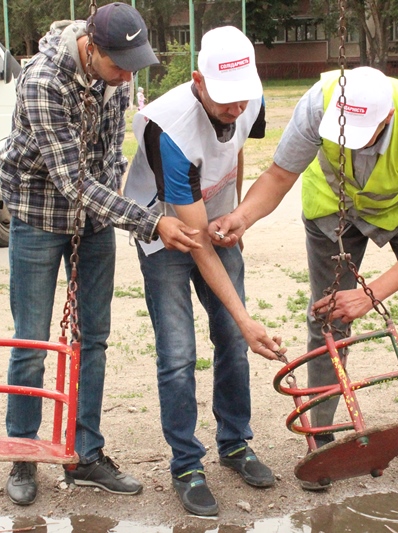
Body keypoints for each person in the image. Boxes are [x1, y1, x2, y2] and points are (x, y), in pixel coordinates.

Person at [209, 66, 398, 488]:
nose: (348, 144)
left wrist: (369, 295)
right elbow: (280, 175)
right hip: (332, 207)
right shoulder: (317, 104)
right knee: (328, 316)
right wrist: (241, 217)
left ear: (386, 119)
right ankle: (323, 436)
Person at [0, 2, 201, 507]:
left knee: (94, 339)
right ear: (91, 47)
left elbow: (110, 157)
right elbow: (72, 182)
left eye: (133, 66)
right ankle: (24, 452)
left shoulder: (117, 78)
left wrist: (114, 211)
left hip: (93, 223)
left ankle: (83, 454)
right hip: (38, 215)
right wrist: (149, 221)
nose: (127, 76)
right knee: (32, 342)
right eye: (119, 65)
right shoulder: (43, 81)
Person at [123, 26, 284, 516]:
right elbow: (196, 246)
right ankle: (186, 466)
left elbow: (235, 150)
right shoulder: (168, 129)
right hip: (166, 230)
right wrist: (246, 318)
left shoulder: (247, 99)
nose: (237, 107)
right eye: (225, 97)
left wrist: (234, 215)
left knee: (232, 340)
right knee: (178, 353)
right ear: (198, 81)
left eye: (243, 96)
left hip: (210, 216)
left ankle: (234, 444)